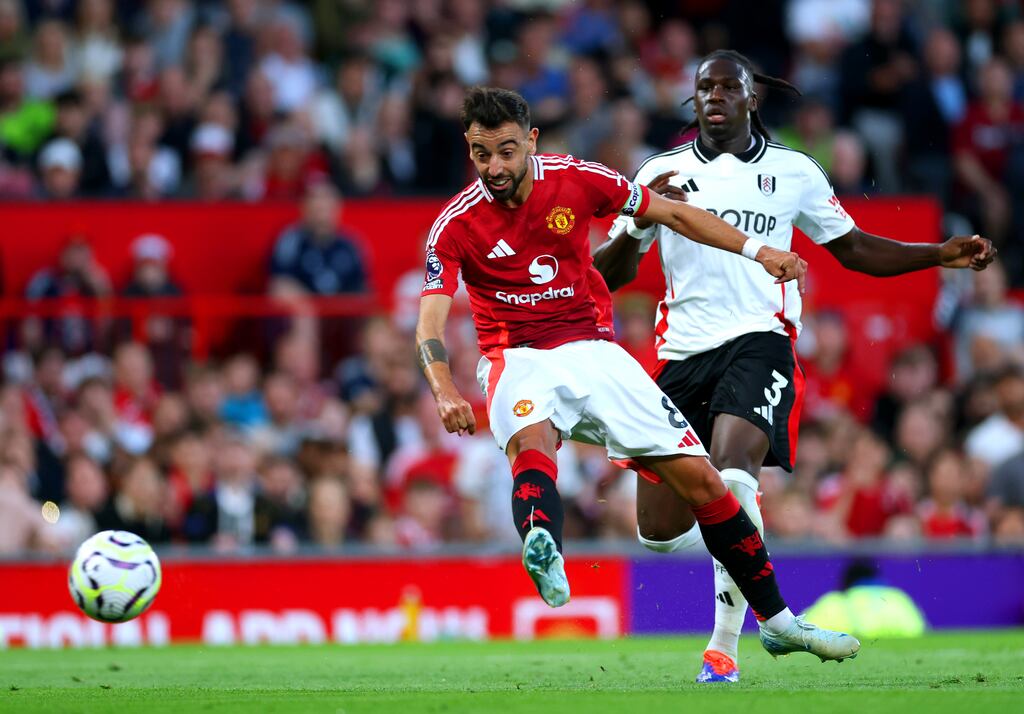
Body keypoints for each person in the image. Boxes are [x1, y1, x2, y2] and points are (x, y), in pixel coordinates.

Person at [416, 85, 858, 665]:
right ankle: (542, 542)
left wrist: (759, 251)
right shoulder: (455, 224)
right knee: (532, 437)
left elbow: (673, 212)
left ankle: (777, 622)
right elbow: (429, 322)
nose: (493, 167)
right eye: (480, 154)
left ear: (531, 142)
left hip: (596, 351)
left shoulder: (577, 179)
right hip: (515, 354)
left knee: (706, 485)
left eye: (504, 151)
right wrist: (446, 390)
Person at [593, 49, 996, 683]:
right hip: (680, 356)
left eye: (729, 87)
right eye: (705, 88)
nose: (715, 96)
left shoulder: (794, 171)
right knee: (659, 535)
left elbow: (855, 248)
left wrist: (937, 254)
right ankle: (747, 562)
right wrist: (641, 222)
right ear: (693, 99)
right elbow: (605, 277)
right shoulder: (661, 170)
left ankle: (726, 648)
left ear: (753, 99)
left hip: (760, 341)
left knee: (733, 476)